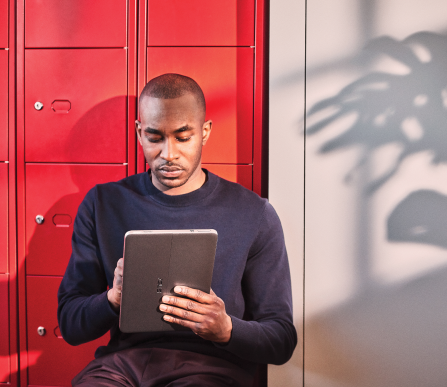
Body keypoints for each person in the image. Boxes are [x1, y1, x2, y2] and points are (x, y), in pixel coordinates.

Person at [57, 73, 297, 387]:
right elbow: (71, 325)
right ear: (139, 133)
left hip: (210, 369)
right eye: (155, 137)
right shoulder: (102, 204)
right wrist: (113, 299)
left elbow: (281, 340)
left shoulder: (253, 213)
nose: (169, 154)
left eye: (183, 137)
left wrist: (225, 329)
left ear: (205, 132)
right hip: (120, 368)